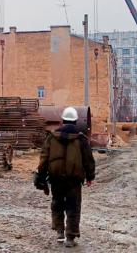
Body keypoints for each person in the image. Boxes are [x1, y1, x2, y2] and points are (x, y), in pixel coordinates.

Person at [35, 106, 95, 248]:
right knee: (73, 207)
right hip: (74, 181)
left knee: (57, 204)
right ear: (75, 122)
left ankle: (60, 232)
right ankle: (70, 238)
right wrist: (90, 177)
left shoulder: (51, 138)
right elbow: (89, 160)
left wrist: (41, 177)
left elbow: (44, 160)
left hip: (56, 179)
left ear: (62, 121)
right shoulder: (81, 139)